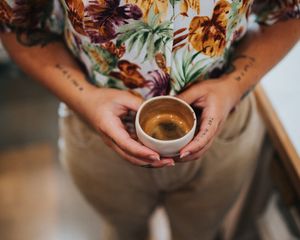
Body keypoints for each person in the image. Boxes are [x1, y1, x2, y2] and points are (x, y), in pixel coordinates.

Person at [1, 0, 299, 239]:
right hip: (98, 139)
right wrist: (85, 99)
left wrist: (232, 85)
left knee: (201, 234)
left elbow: (289, 12)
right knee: (124, 232)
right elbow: (17, 24)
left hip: (223, 134)